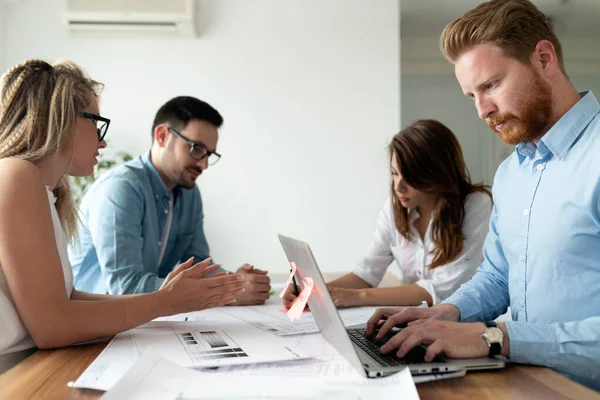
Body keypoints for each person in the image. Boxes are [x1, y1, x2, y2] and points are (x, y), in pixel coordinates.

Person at [365, 0, 600, 391]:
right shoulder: (511, 174)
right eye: (471, 95)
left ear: (544, 59)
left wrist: (495, 338)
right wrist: (443, 315)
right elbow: (498, 275)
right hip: (528, 381)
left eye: (490, 85)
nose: (481, 110)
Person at [0, 60, 248, 373]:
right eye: (97, 123)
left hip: (31, 363)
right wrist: (165, 301)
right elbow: (53, 326)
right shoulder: (16, 175)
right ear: (63, 120)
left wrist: (197, 292)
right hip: (16, 371)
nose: (103, 140)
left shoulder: (44, 191)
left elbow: (68, 299)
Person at [69, 96, 271, 305]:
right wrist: (228, 292)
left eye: (209, 154)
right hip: (97, 326)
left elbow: (198, 266)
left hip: (143, 321)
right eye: (196, 148)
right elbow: (126, 288)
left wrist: (235, 282)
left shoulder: (189, 193)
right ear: (162, 136)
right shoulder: (121, 189)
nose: (204, 164)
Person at [283, 119, 492, 309]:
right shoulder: (394, 209)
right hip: (422, 320)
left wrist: (360, 296)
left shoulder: (475, 206)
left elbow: (444, 289)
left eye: (410, 177)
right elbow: (367, 273)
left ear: (437, 174)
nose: (398, 187)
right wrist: (314, 292)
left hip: (464, 323)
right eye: (394, 173)